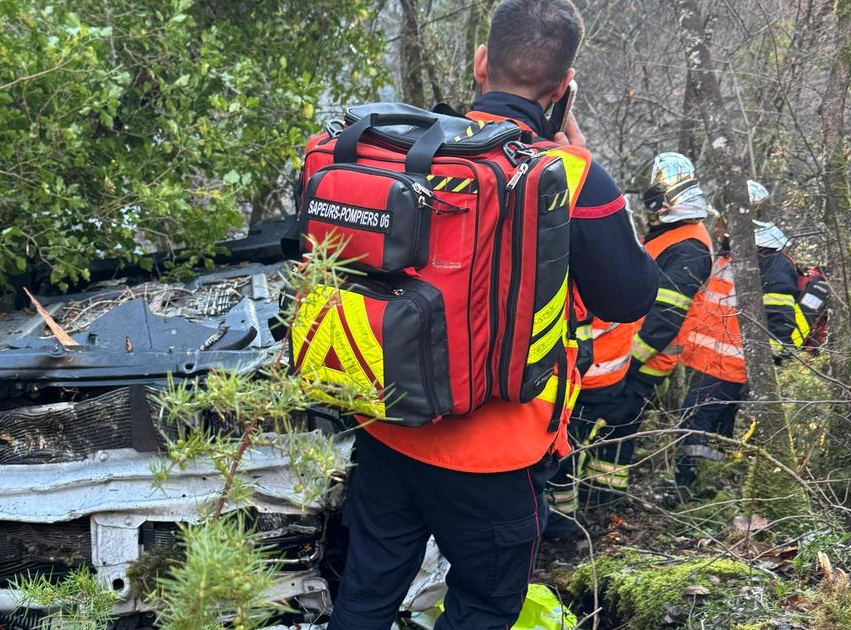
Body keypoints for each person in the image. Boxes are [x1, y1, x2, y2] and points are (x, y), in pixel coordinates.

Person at [327, 1, 659, 627]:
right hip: (496, 456)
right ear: (563, 90)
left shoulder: (407, 153)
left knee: (365, 595)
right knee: (481, 610)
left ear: (480, 63)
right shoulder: (570, 175)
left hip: (386, 426)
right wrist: (584, 166)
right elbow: (631, 297)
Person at [545, 152, 714, 522]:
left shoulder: (689, 246)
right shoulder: (673, 237)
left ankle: (589, 514)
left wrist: (629, 364)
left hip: (640, 366)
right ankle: (600, 506)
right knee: (611, 442)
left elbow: (664, 317)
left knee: (601, 438)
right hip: (626, 361)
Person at [673, 183, 811, 488]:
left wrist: (760, 374)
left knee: (693, 425)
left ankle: (687, 488)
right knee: (716, 429)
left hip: (730, 369)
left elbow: (779, 326)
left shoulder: (772, 264)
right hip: (712, 365)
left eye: (724, 219)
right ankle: (708, 486)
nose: (719, 225)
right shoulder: (736, 255)